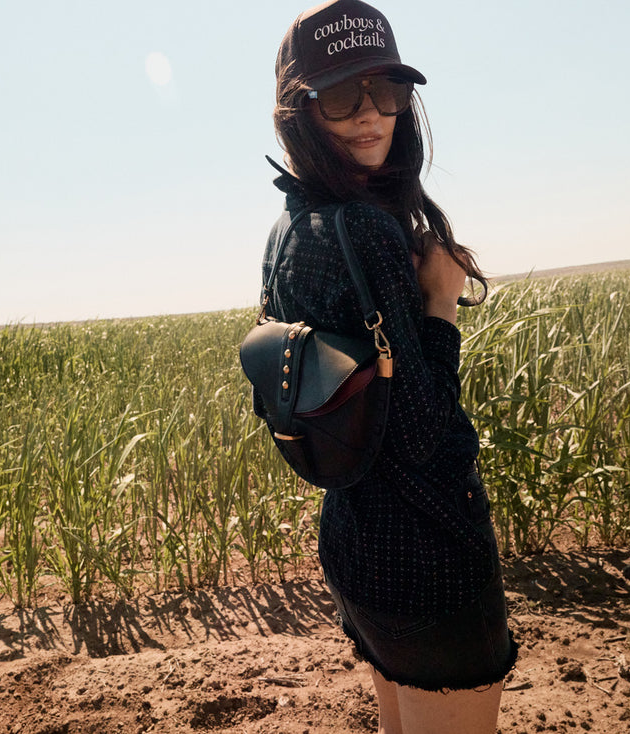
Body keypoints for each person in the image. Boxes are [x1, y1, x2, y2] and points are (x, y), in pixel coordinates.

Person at [260, 1, 519, 732]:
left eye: (390, 91)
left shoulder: (288, 229)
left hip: (356, 549)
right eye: (343, 96)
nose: (371, 113)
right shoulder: (370, 232)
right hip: (429, 561)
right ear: (300, 111)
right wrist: (440, 303)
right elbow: (425, 439)